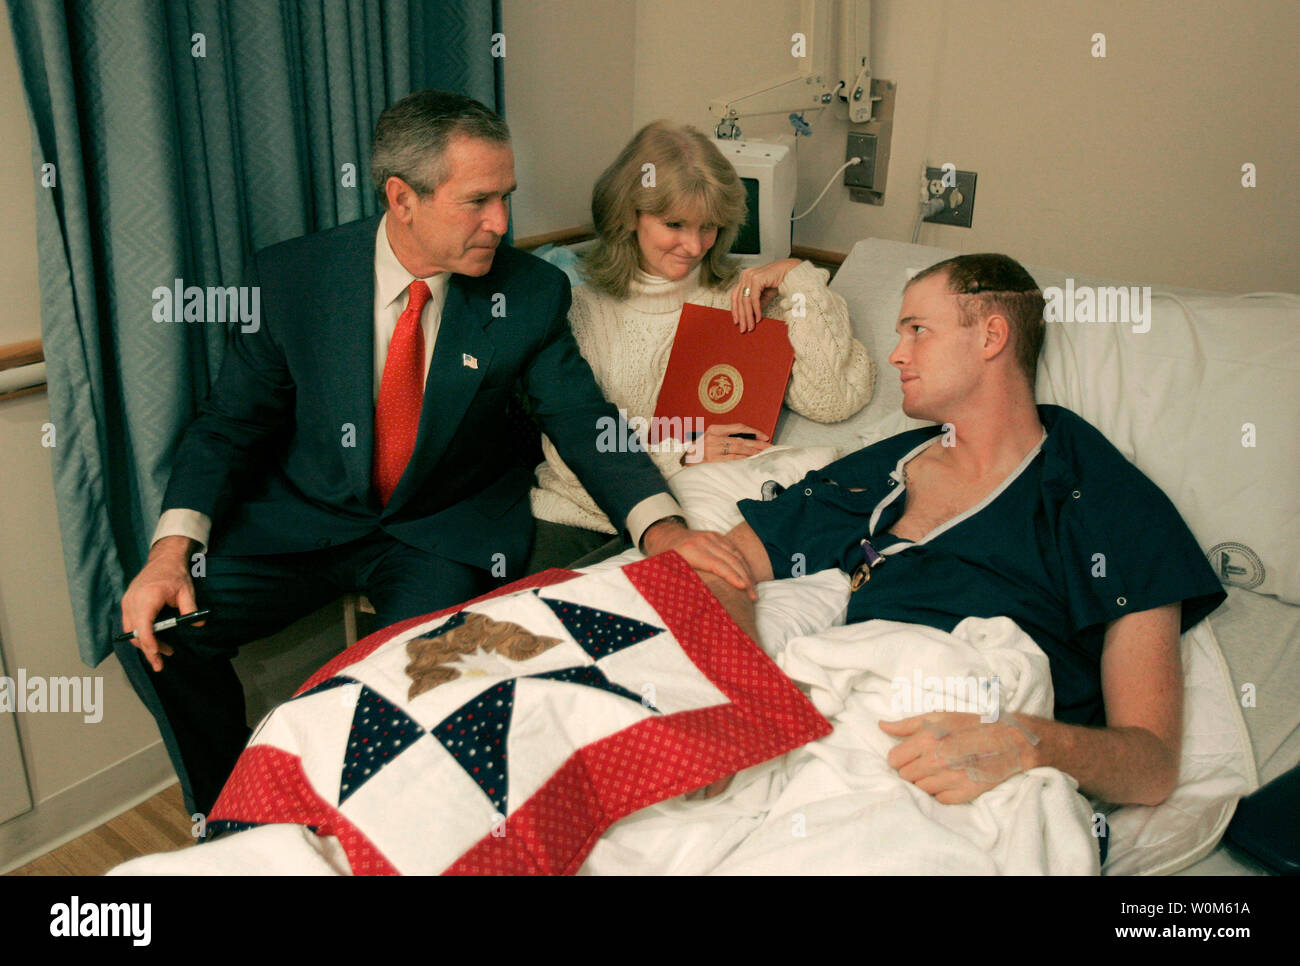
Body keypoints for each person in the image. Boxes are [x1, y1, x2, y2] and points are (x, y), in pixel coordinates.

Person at [117, 90, 753, 817]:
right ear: (402, 198)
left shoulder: (530, 293)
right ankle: (228, 810)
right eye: (479, 201)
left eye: (507, 197)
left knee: (413, 691)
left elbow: (583, 421)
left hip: (441, 532)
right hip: (305, 520)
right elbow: (229, 423)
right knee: (153, 632)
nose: (503, 224)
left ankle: (372, 832)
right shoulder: (292, 279)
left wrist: (665, 531)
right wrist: (172, 549)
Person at [704, 253, 1226, 810]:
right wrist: (744, 686)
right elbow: (720, 561)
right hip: (840, 740)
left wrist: (1027, 743)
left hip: (975, 785)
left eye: (918, 331)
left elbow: (1150, 767)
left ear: (992, 336)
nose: (896, 354)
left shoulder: (1103, 499)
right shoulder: (887, 468)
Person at [527, 121, 874, 571]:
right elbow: (571, 444)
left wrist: (797, 277)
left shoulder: (742, 300)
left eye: (708, 226)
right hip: (579, 517)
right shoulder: (578, 305)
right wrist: (684, 451)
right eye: (674, 224)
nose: (693, 245)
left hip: (701, 513)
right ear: (629, 214)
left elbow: (833, 399)